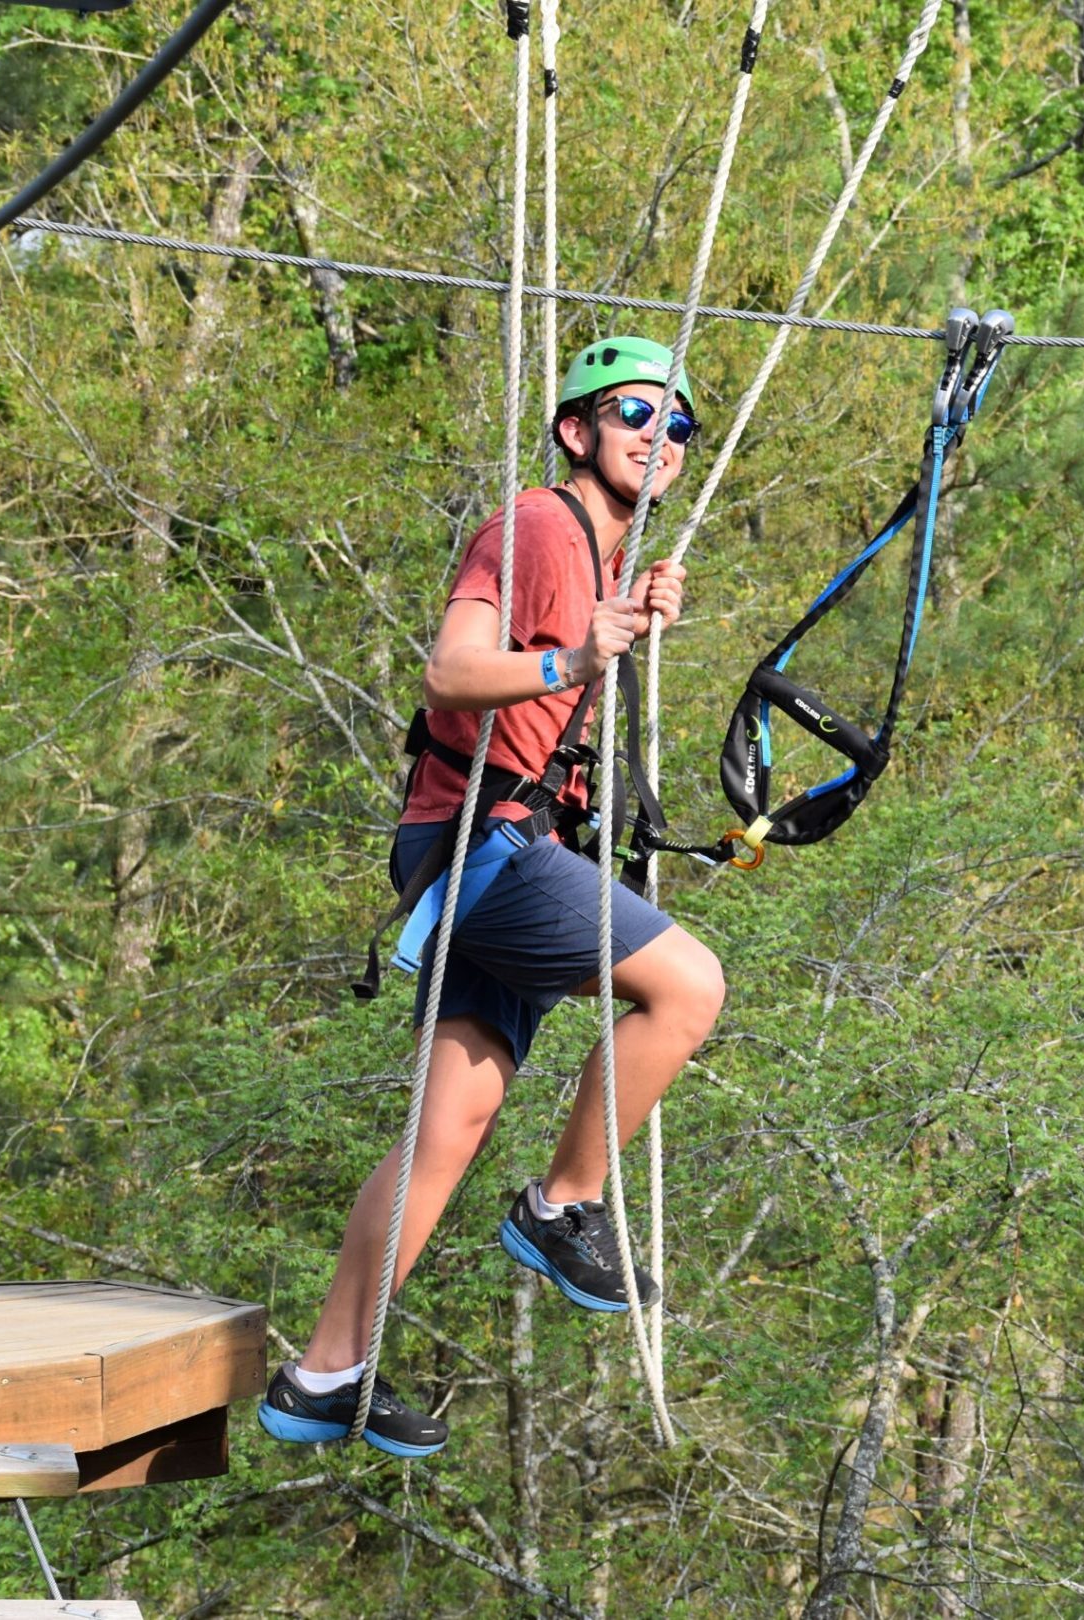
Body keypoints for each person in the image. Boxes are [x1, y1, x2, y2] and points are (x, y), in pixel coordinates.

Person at [258, 337, 725, 1457]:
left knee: (447, 1130)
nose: (657, 436)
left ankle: (322, 1377)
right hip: (485, 850)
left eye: (677, 423)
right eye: (633, 413)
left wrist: (617, 620)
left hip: (489, 849)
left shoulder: (597, 560)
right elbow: (451, 672)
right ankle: (564, 1207)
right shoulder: (533, 528)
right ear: (578, 431)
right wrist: (574, 658)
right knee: (688, 987)